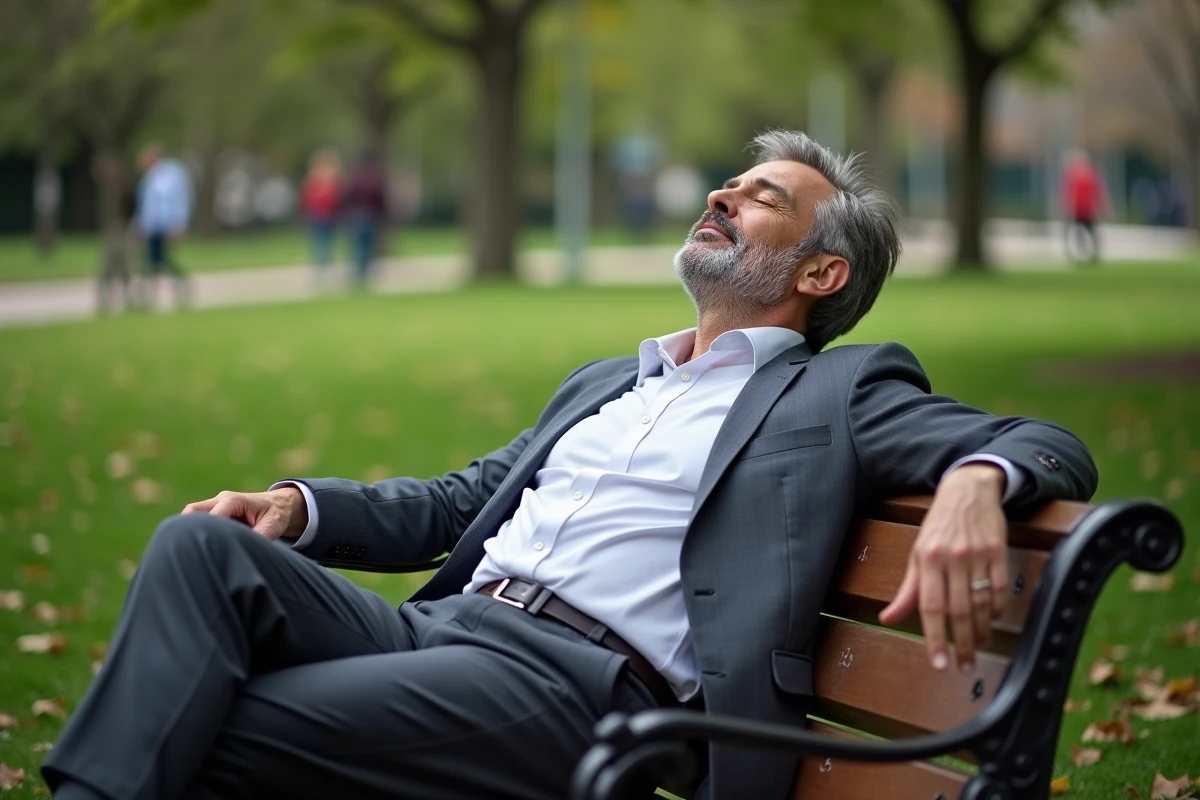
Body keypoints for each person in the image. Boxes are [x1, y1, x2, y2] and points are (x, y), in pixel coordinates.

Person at [42, 130, 1097, 800]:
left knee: (209, 720)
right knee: (198, 549)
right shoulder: (610, 380)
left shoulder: (837, 390)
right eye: (730, 179)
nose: (726, 192)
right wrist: (293, 506)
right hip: (439, 628)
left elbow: (1048, 443)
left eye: (761, 194)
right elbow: (460, 501)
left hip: (573, 690)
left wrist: (974, 478)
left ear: (820, 271)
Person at [134, 144, 193, 308]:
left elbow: (181, 200)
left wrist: (179, 224)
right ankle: (149, 295)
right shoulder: (148, 179)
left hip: (167, 225)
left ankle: (177, 287)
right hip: (152, 227)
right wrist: (140, 225)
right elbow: (146, 205)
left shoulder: (173, 175)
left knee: (160, 260)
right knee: (153, 260)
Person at [340, 150, 389, 288]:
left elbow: (346, 198)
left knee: (357, 246)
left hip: (355, 215)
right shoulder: (376, 178)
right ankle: (363, 273)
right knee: (368, 247)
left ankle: (358, 273)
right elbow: (381, 199)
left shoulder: (353, 178)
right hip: (371, 215)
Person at [300, 149, 343, 289]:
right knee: (322, 243)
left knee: (324, 243)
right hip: (320, 215)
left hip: (326, 216)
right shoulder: (317, 181)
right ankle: (322, 270)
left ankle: (324, 270)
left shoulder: (329, 181)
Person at [1060, 150, 1107, 264]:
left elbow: (1097, 193)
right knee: (1071, 232)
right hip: (1076, 210)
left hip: (1086, 210)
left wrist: (1101, 208)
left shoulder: (1089, 176)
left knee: (1091, 232)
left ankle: (1093, 254)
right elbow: (1067, 193)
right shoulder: (1074, 176)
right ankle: (1073, 253)